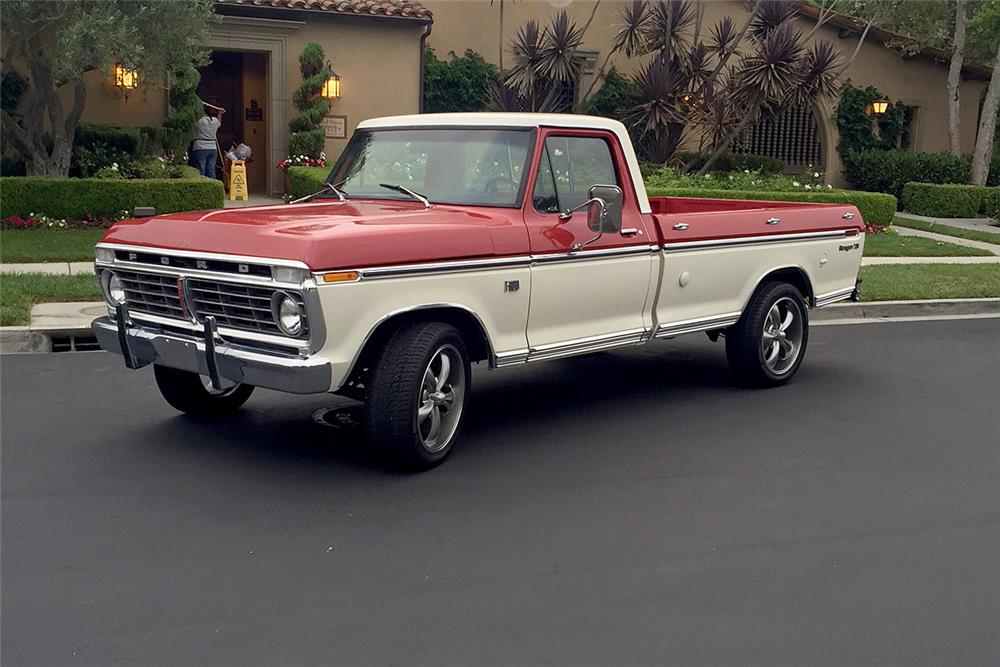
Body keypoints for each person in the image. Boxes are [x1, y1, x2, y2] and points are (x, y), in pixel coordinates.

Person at [191, 104, 224, 179]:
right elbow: (219, 122)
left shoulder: (198, 121)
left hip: (200, 147)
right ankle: (212, 187)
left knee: (200, 170)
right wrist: (220, 113)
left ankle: (202, 186)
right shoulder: (214, 121)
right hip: (212, 148)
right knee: (211, 169)